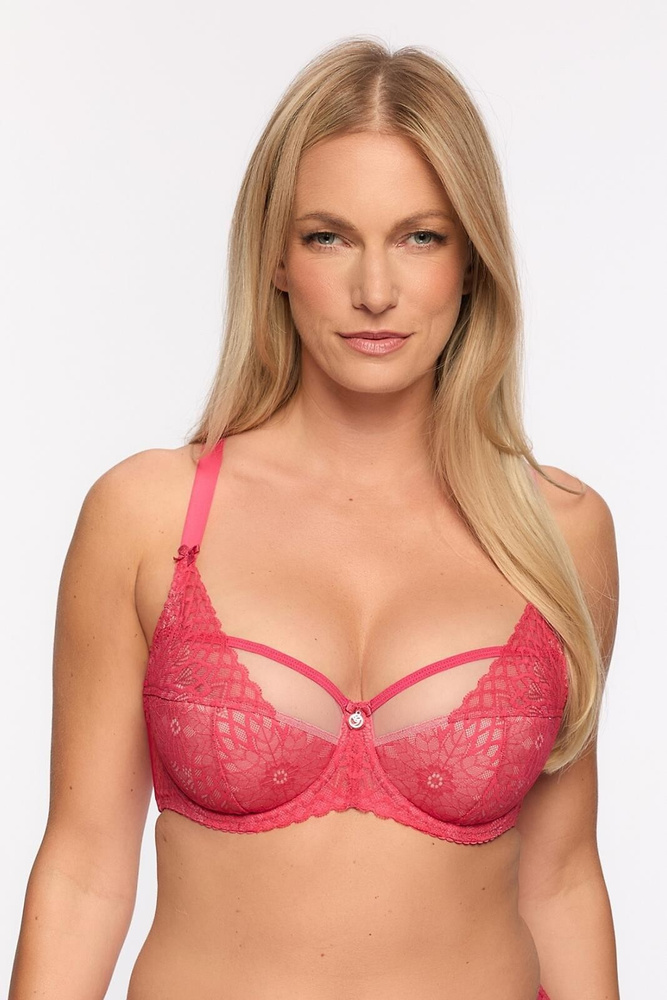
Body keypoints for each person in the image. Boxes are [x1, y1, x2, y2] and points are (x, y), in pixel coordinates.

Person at [9, 37, 620, 1000]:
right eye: (329, 237)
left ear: (471, 260)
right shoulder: (147, 516)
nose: (374, 291)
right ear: (277, 258)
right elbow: (84, 874)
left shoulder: (558, 532)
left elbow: (562, 879)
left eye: (421, 237)